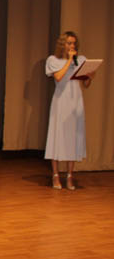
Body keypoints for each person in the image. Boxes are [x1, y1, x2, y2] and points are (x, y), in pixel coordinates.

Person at [45, 31, 93, 190]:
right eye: (69, 43)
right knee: (57, 137)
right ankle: (55, 175)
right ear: (62, 44)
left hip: (75, 102)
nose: (72, 46)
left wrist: (89, 76)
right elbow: (58, 77)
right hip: (61, 102)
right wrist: (69, 62)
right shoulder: (53, 60)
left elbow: (85, 85)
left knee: (73, 138)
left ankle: (70, 176)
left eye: (74, 43)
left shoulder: (81, 60)